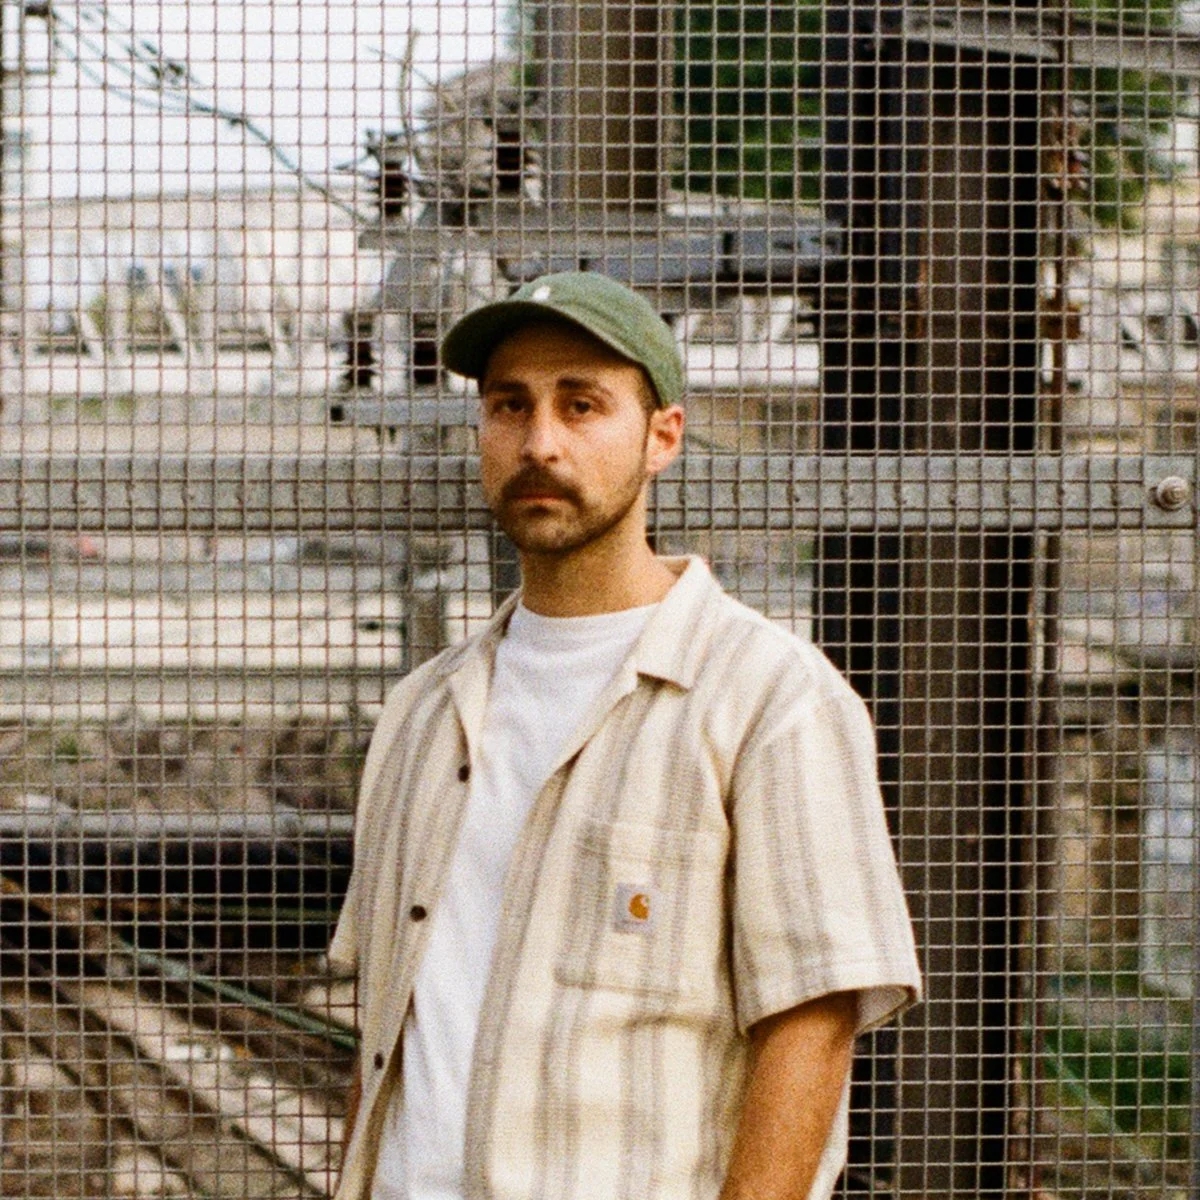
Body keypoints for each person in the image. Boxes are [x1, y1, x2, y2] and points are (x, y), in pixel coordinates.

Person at [328, 272, 921, 1200]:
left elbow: (812, 1027)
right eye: (510, 405)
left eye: (582, 405)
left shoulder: (770, 698)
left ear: (662, 438)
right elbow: (385, 1034)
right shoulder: (422, 711)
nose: (540, 442)